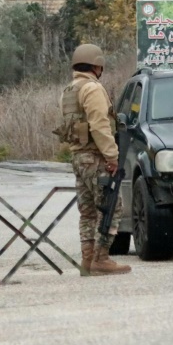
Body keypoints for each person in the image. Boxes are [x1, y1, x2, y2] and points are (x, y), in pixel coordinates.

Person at [56, 44, 131, 276]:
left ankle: (87, 260)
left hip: (78, 157)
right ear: (97, 65)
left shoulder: (68, 90)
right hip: (95, 156)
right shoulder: (92, 88)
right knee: (111, 206)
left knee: (87, 211)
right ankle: (101, 258)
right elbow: (99, 125)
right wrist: (112, 156)